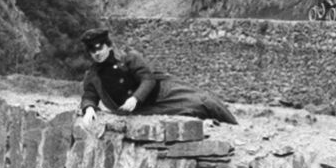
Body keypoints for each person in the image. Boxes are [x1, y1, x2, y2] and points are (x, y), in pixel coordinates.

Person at [78, 27, 236, 124]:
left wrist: (135, 98)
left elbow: (148, 79)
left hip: (163, 93)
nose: (97, 53)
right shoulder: (93, 75)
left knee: (204, 101)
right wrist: (89, 108)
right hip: (146, 110)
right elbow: (89, 95)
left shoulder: (129, 58)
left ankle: (234, 127)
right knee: (193, 111)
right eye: (92, 51)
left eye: (100, 48)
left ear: (109, 46)